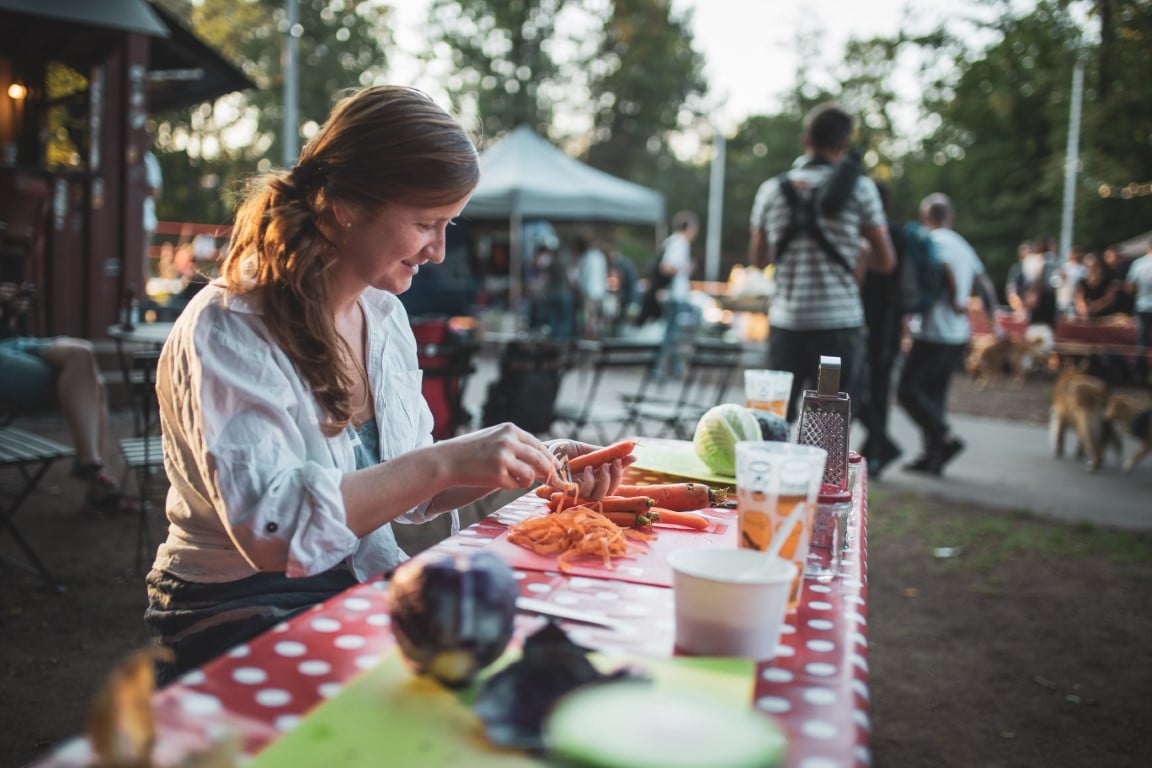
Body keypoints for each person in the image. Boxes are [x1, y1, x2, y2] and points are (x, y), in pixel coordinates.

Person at [143, 86, 632, 684]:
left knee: (551, 651)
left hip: (353, 584)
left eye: (449, 224)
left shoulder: (382, 315)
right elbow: (272, 536)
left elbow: (408, 486)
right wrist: (443, 462)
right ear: (347, 204)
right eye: (426, 223)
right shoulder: (229, 328)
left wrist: (533, 459)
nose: (439, 249)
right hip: (233, 609)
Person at [747, 102, 895, 421]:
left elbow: (759, 260)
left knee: (773, 424)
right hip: (838, 328)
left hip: (787, 325)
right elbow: (886, 261)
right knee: (828, 428)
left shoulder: (771, 191)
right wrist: (859, 252)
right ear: (844, 144)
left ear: (805, 140)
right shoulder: (862, 189)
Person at [897, 193, 1000, 475]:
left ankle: (944, 438)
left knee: (907, 390)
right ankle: (933, 456)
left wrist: (954, 297)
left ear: (925, 218)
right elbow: (984, 284)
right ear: (950, 217)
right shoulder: (963, 245)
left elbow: (943, 269)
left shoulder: (933, 241)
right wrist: (994, 323)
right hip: (957, 334)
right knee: (934, 396)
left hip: (933, 331)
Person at [0, 283, 121, 510]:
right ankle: (93, 469)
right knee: (93, 382)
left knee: (81, 351)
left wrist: (11, 308)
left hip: (17, 341)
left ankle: (89, 466)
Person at [857, 181, 905, 478]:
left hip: (870, 324)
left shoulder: (870, 236)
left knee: (858, 389)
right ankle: (876, 448)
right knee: (878, 389)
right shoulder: (898, 233)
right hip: (891, 324)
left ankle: (880, 446)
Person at [651, 210, 699, 380]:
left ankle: (671, 368)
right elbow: (667, 267)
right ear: (689, 228)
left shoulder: (671, 241)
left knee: (672, 333)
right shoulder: (680, 243)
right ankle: (659, 369)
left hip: (670, 295)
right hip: (674, 295)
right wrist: (685, 268)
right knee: (671, 334)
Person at [1124, 243, 1152, 388]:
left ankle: (1140, 375)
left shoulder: (1138, 264)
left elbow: (1129, 287)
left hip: (1141, 306)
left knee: (1141, 343)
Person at [575, 236, 608, 339]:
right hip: (599, 290)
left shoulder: (586, 257)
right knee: (596, 315)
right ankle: (595, 333)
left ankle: (590, 334)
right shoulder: (600, 256)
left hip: (589, 290)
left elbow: (583, 275)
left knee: (589, 314)